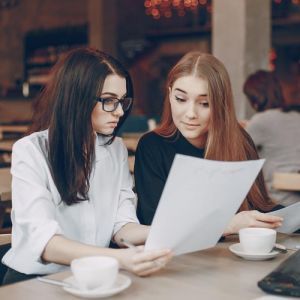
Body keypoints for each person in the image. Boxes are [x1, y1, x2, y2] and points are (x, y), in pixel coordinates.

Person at [2, 48, 172, 285]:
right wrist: (120, 258)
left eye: (122, 101)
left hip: (91, 276)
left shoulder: (116, 149)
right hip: (33, 281)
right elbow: (46, 243)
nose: (120, 111)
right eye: (109, 101)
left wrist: (170, 235)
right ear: (77, 98)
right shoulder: (31, 151)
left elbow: (122, 226)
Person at [134, 52, 283, 234]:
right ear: (170, 94)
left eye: (204, 103)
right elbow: (156, 226)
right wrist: (229, 226)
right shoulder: (152, 147)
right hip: (175, 259)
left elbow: (260, 208)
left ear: (220, 105)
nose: (191, 113)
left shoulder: (240, 140)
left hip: (235, 257)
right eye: (181, 99)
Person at [244, 70, 300, 207]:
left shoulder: (261, 121)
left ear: (256, 98)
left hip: (276, 201)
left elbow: (237, 147)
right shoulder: (296, 117)